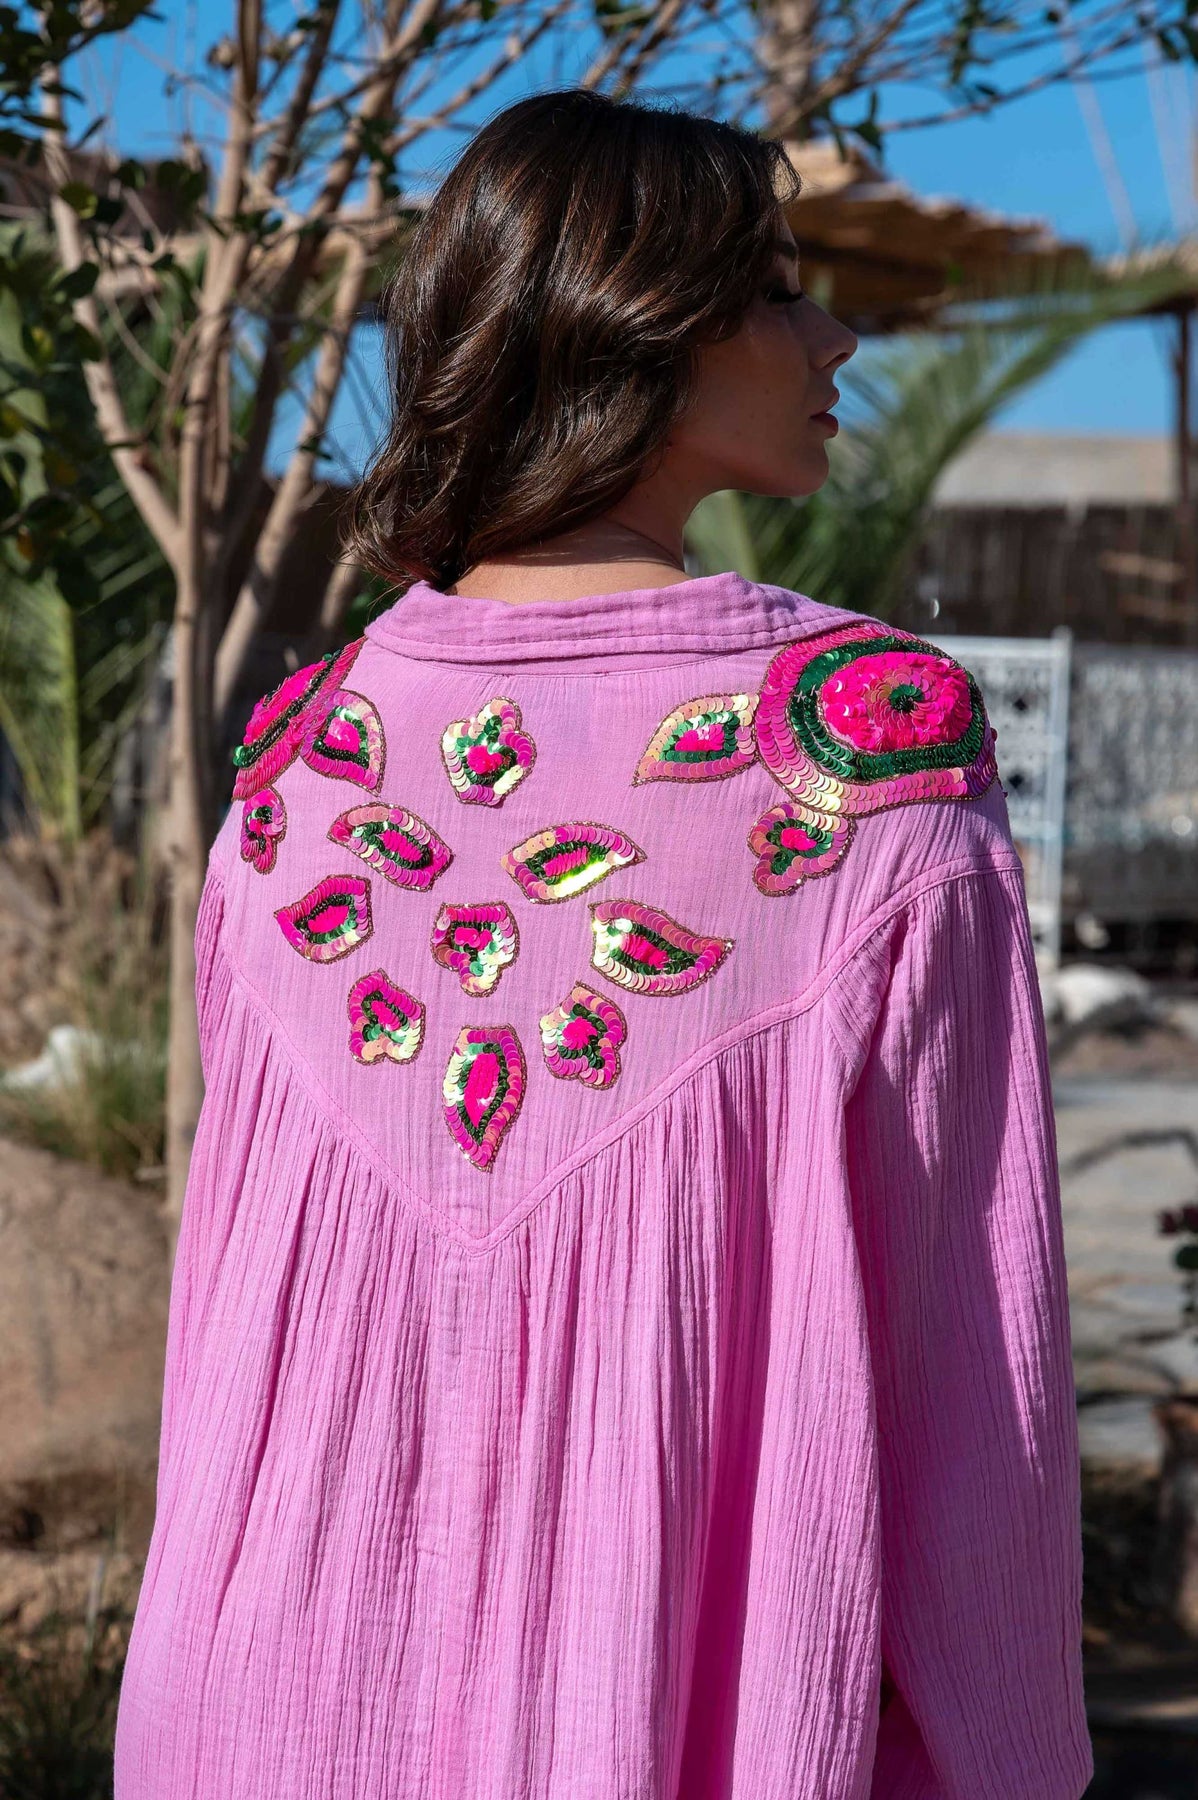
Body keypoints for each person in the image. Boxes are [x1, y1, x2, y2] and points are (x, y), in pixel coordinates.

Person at [113, 89, 1092, 1799]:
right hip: (653, 1718)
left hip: (250, 1706)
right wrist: (1009, 1750)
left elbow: (220, 1349)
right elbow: (969, 1361)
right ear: (629, 325)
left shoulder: (294, 763)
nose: (833, 335)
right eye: (774, 291)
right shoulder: (857, 748)